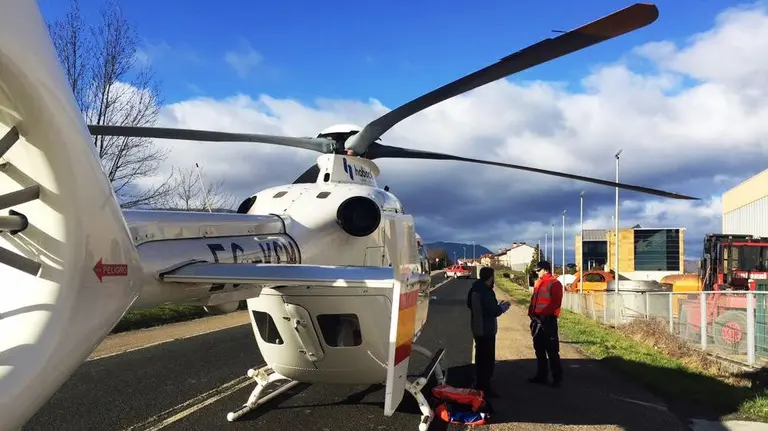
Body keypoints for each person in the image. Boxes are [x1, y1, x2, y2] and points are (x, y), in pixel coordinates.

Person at [466, 266, 511, 397]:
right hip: (487, 330)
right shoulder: (486, 292)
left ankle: (479, 383)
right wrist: (503, 307)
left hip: (476, 328)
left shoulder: (474, 289)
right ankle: (485, 389)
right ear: (490, 277)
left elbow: (469, 304)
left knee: (480, 357)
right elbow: (494, 311)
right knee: (487, 361)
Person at [527, 261, 564, 388]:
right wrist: (531, 312)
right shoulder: (539, 282)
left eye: (539, 270)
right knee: (539, 349)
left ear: (546, 270)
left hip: (548, 321)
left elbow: (555, 303)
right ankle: (541, 376)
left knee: (552, 350)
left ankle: (557, 378)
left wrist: (543, 314)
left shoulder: (554, 283)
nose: (537, 272)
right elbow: (534, 299)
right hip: (537, 319)